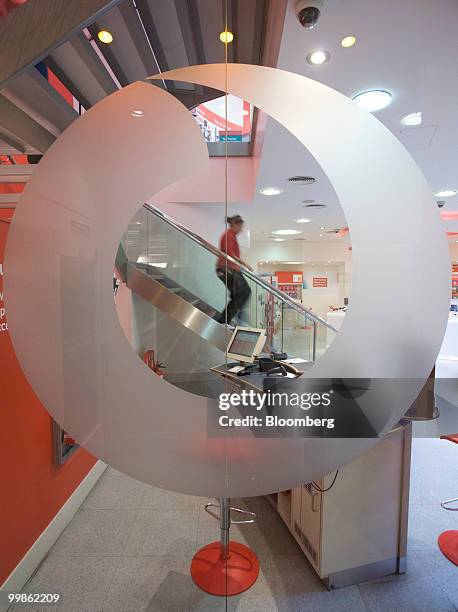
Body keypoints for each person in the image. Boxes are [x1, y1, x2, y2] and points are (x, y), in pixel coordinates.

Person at [215, 215, 252, 325]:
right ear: (235, 224)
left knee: (239, 294)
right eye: (240, 226)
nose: (241, 229)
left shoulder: (231, 236)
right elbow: (230, 255)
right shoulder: (228, 235)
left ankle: (229, 319)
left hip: (229, 269)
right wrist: (244, 263)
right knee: (244, 292)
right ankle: (225, 320)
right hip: (226, 269)